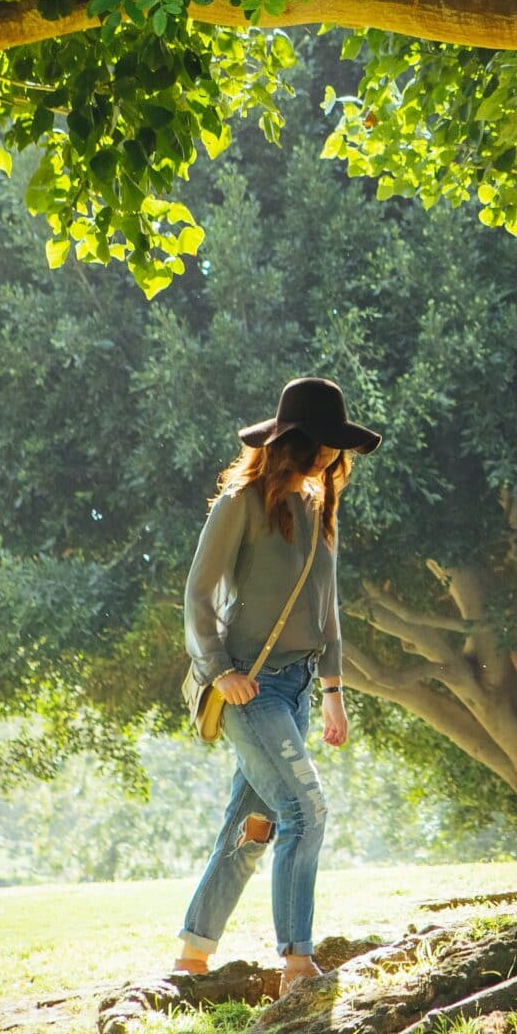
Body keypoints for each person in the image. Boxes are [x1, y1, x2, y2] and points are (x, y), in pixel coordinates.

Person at [174, 376, 380, 991]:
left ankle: (191, 953)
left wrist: (334, 693)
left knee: (252, 826)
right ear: (294, 441)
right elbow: (198, 595)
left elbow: (328, 609)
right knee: (305, 808)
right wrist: (220, 671)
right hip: (249, 686)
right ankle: (296, 962)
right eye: (324, 444)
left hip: (295, 689)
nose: (331, 458)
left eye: (336, 449)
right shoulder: (240, 503)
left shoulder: (319, 509)